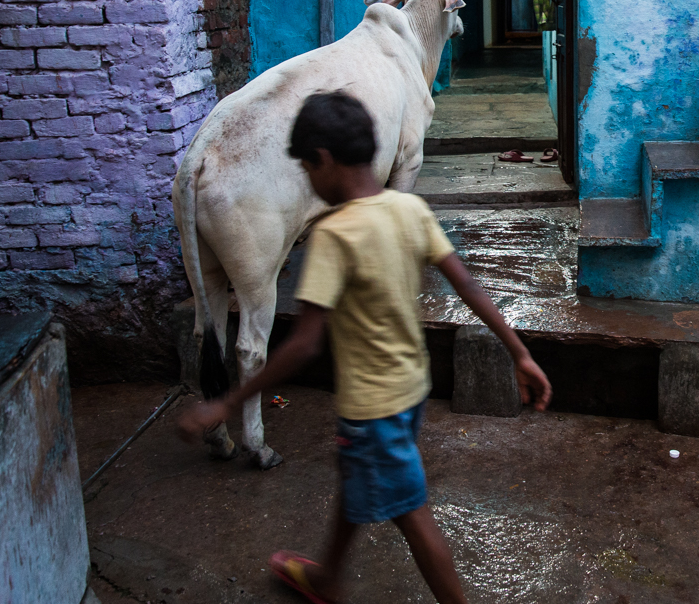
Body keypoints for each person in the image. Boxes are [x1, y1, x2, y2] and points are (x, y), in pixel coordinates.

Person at [177, 90, 552, 604]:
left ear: (324, 161)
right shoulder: (409, 209)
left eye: (306, 168)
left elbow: (303, 345)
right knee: (360, 480)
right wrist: (520, 353)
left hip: (372, 409)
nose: (307, 181)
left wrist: (226, 402)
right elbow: (467, 284)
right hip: (410, 392)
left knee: (411, 513)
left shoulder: (334, 236)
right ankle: (328, 578)